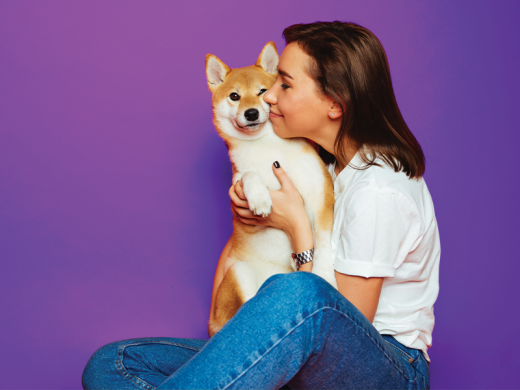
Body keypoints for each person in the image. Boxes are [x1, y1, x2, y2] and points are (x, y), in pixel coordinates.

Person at [82, 21, 439, 390]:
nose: (268, 96)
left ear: (334, 104)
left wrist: (297, 224)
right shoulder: (324, 165)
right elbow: (238, 265)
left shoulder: (379, 190)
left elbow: (345, 318)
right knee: (115, 364)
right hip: (305, 345)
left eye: (284, 84)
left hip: (386, 365)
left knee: (294, 290)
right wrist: (248, 225)